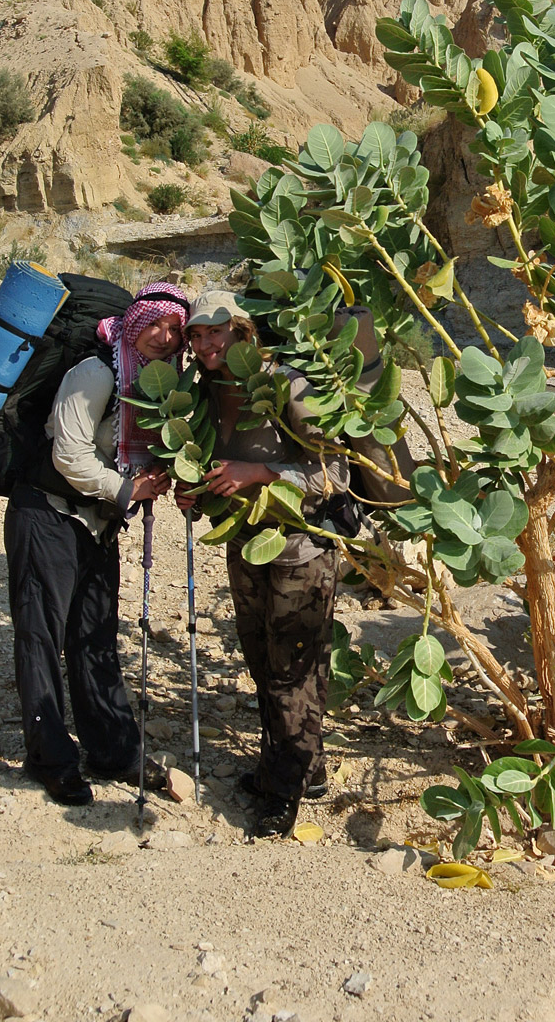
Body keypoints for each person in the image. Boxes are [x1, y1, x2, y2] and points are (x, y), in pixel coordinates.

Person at [3, 281, 190, 806]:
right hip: (46, 514)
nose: (164, 335)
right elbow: (69, 455)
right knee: (40, 636)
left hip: (97, 523)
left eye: (176, 329)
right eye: (156, 322)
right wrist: (128, 488)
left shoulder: (151, 385)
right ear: (134, 320)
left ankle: (114, 751)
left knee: (95, 637)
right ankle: (51, 759)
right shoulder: (95, 371)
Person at [176, 288, 348, 838]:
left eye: (215, 331)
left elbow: (335, 474)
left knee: (292, 669)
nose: (205, 344)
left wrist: (260, 474)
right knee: (260, 659)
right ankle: (302, 769)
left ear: (243, 330)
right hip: (246, 543)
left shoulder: (284, 382)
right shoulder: (206, 392)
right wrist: (195, 490)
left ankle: (283, 795)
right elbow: (211, 463)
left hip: (304, 548)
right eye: (196, 335)